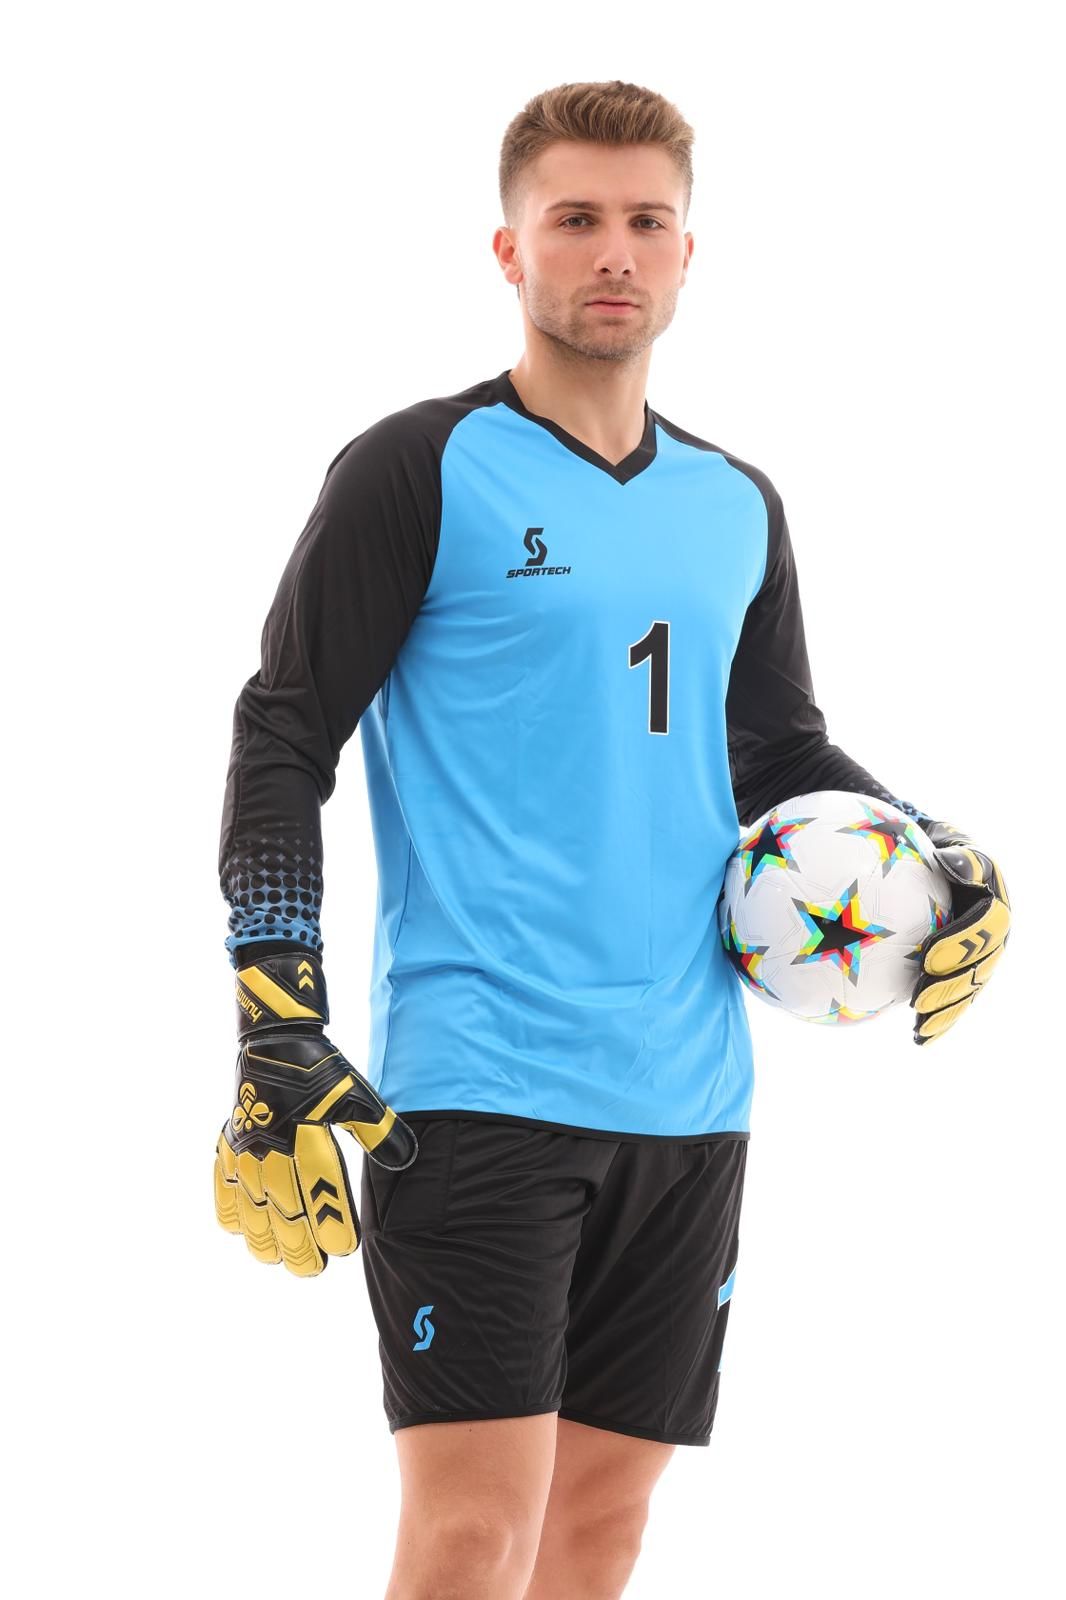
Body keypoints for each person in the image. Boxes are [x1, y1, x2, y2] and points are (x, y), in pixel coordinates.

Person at [212, 79, 1011, 1600]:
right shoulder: (420, 467)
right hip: (480, 1080)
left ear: (688, 252)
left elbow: (777, 751)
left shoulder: (736, 502)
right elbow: (283, 732)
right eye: (574, 218)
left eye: (646, 220)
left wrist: (935, 854)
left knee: (599, 1534)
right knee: (471, 1533)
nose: (613, 252)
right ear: (507, 249)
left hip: (690, 1089)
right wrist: (275, 1015)